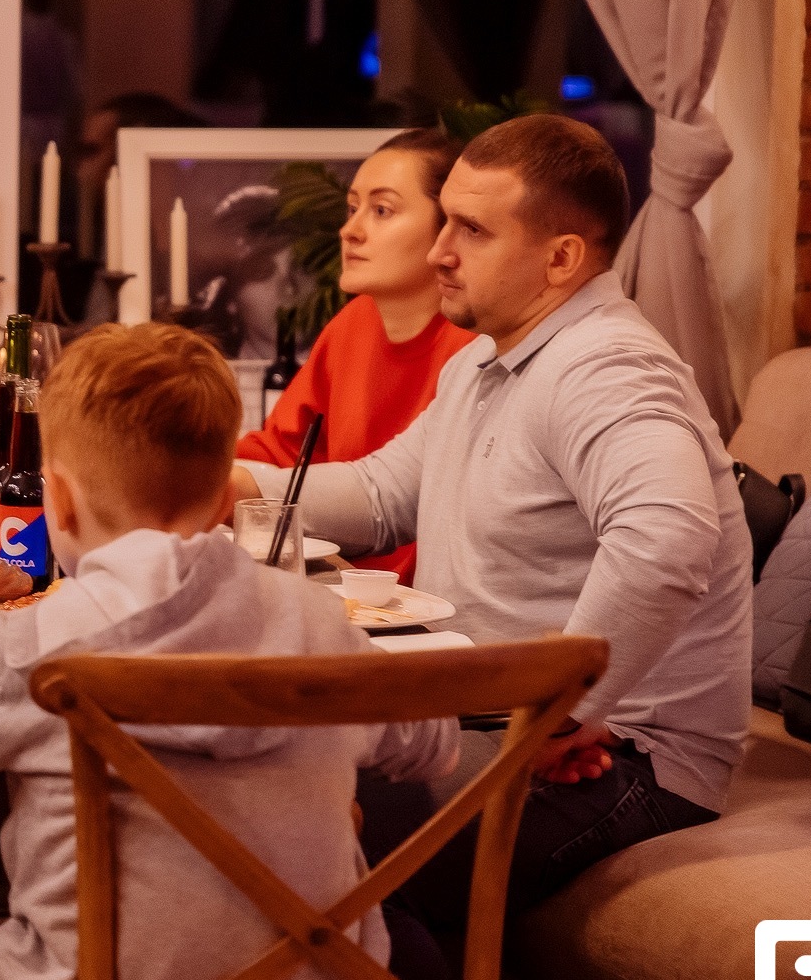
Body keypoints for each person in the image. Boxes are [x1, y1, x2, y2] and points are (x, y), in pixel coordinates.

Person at [0, 323, 459, 980]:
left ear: (60, 502)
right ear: (223, 502)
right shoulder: (317, 624)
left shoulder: (33, 649)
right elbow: (433, 744)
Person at [231, 114, 751, 937]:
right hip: (488, 714)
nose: (441, 252)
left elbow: (667, 539)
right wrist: (217, 484)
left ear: (561, 258)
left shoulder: (608, 367)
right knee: (257, 784)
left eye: (472, 230)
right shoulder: (482, 361)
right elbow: (379, 494)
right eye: (445, 223)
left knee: (295, 822)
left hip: (628, 757)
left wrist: (561, 710)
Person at [236, 127, 477, 583]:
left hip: (426, 601)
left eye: (382, 210)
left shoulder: (475, 348)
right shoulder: (354, 323)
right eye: (352, 209)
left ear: (449, 229)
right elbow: (284, 451)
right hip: (338, 581)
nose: (350, 231)